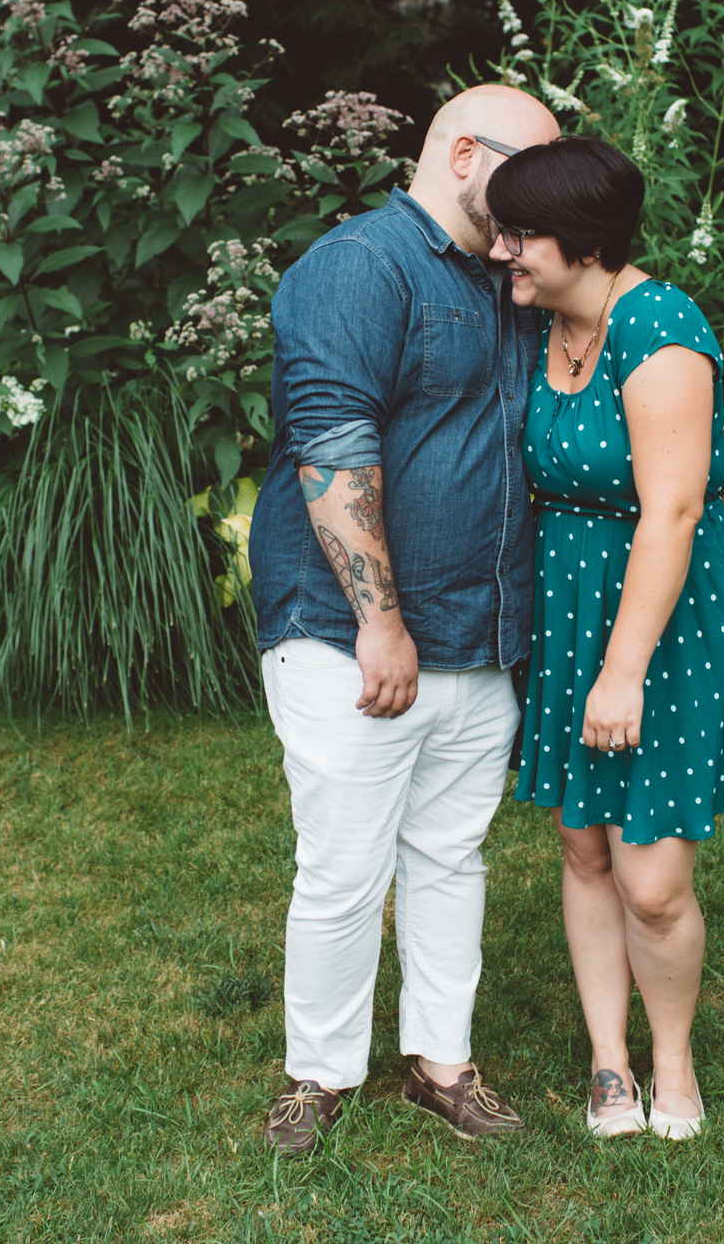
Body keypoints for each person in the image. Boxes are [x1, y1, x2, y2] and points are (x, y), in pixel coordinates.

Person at [246, 84, 562, 1157]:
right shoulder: (360, 266)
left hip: (483, 630)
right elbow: (331, 446)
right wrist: (378, 623)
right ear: (464, 155)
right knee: (342, 865)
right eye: (526, 175)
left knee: (451, 852)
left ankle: (442, 1063)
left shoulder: (513, 279)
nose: (540, 201)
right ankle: (317, 1073)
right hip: (352, 636)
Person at [488, 135, 724, 1142]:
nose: (502, 250)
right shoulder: (544, 319)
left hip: (657, 619)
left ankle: (673, 1061)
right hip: (570, 602)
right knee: (581, 842)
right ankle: (610, 1064)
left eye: (521, 233)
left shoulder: (658, 327)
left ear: (585, 237)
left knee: (650, 877)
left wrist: (621, 673)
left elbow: (673, 507)